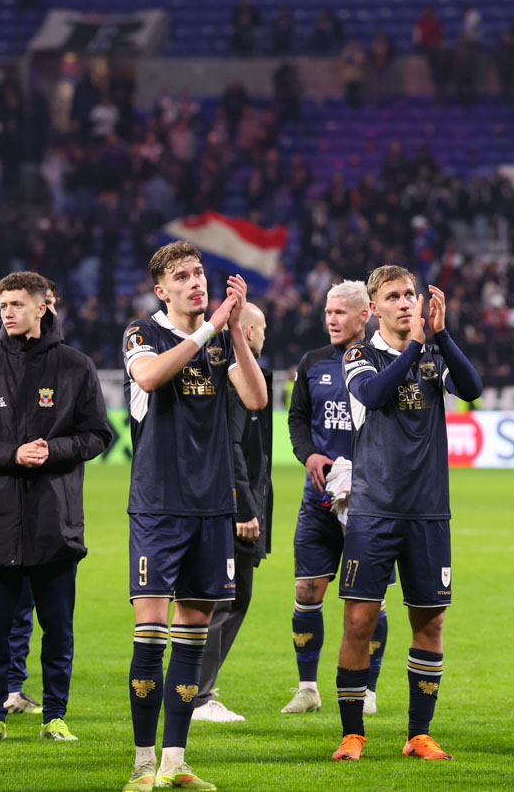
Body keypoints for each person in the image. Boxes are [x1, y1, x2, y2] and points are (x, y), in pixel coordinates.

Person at [121, 242, 267, 792]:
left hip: (212, 510)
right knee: (150, 638)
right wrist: (209, 330)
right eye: (181, 276)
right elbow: (149, 378)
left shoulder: (221, 342)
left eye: (199, 273)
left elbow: (255, 398)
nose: (195, 283)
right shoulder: (143, 333)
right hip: (158, 508)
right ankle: (142, 765)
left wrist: (234, 334)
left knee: (190, 640)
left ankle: (174, 761)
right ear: (162, 290)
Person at [330, 266, 482, 762]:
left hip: (428, 512)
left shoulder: (434, 354)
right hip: (374, 512)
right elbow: (373, 395)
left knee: (430, 624)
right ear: (374, 308)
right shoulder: (359, 355)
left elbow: (472, 388)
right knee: (359, 622)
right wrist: (416, 345)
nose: (404, 302)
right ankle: (353, 734)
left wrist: (441, 335)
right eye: (393, 296)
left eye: (410, 294)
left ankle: (419, 734)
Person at [0, 272, 111, 745]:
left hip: (54, 520)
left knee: (57, 630)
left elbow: (98, 435)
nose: (7, 312)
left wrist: (54, 450)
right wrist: (13, 455)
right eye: (3, 303)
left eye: (17, 304)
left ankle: (55, 716)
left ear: (43, 307)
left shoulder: (75, 366)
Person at [281, 281, 389, 717]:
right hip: (320, 497)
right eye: (328, 312)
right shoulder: (313, 362)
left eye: (340, 312)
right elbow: (297, 418)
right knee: (306, 589)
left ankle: (367, 689)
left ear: (365, 315)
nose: (331, 319)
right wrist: (308, 455)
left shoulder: (383, 361)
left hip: (370, 501)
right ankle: (308, 688)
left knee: (370, 599)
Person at [191, 303, 272, 723]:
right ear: (250, 331)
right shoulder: (237, 378)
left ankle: (202, 685)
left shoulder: (249, 376)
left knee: (238, 597)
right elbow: (231, 445)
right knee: (225, 599)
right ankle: (199, 695)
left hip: (242, 500)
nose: (265, 335)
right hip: (234, 507)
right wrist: (244, 507)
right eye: (263, 328)